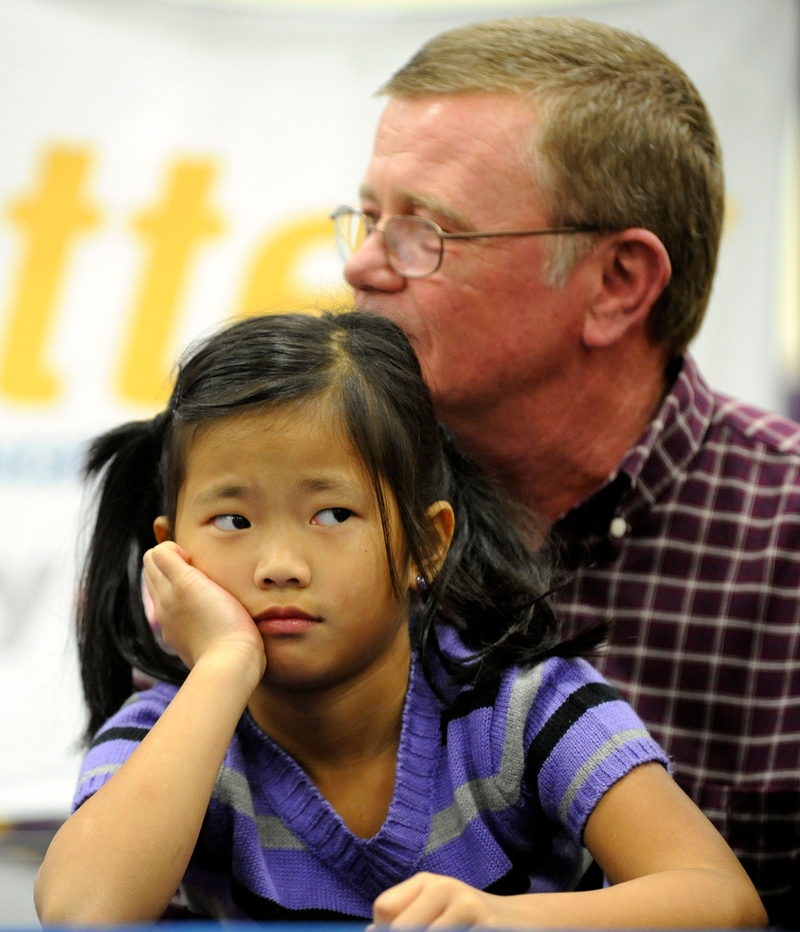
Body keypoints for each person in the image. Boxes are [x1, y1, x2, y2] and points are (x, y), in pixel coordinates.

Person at [35, 311, 762, 926]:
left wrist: (503, 918)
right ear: (174, 557)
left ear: (426, 542)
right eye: (232, 519)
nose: (279, 563)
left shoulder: (527, 709)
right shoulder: (174, 731)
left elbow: (722, 900)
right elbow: (81, 909)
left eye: (332, 513)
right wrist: (225, 664)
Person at [334, 14, 800, 926]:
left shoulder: (783, 545)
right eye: (368, 216)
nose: (360, 263)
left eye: (425, 231)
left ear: (618, 283)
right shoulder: (316, 517)